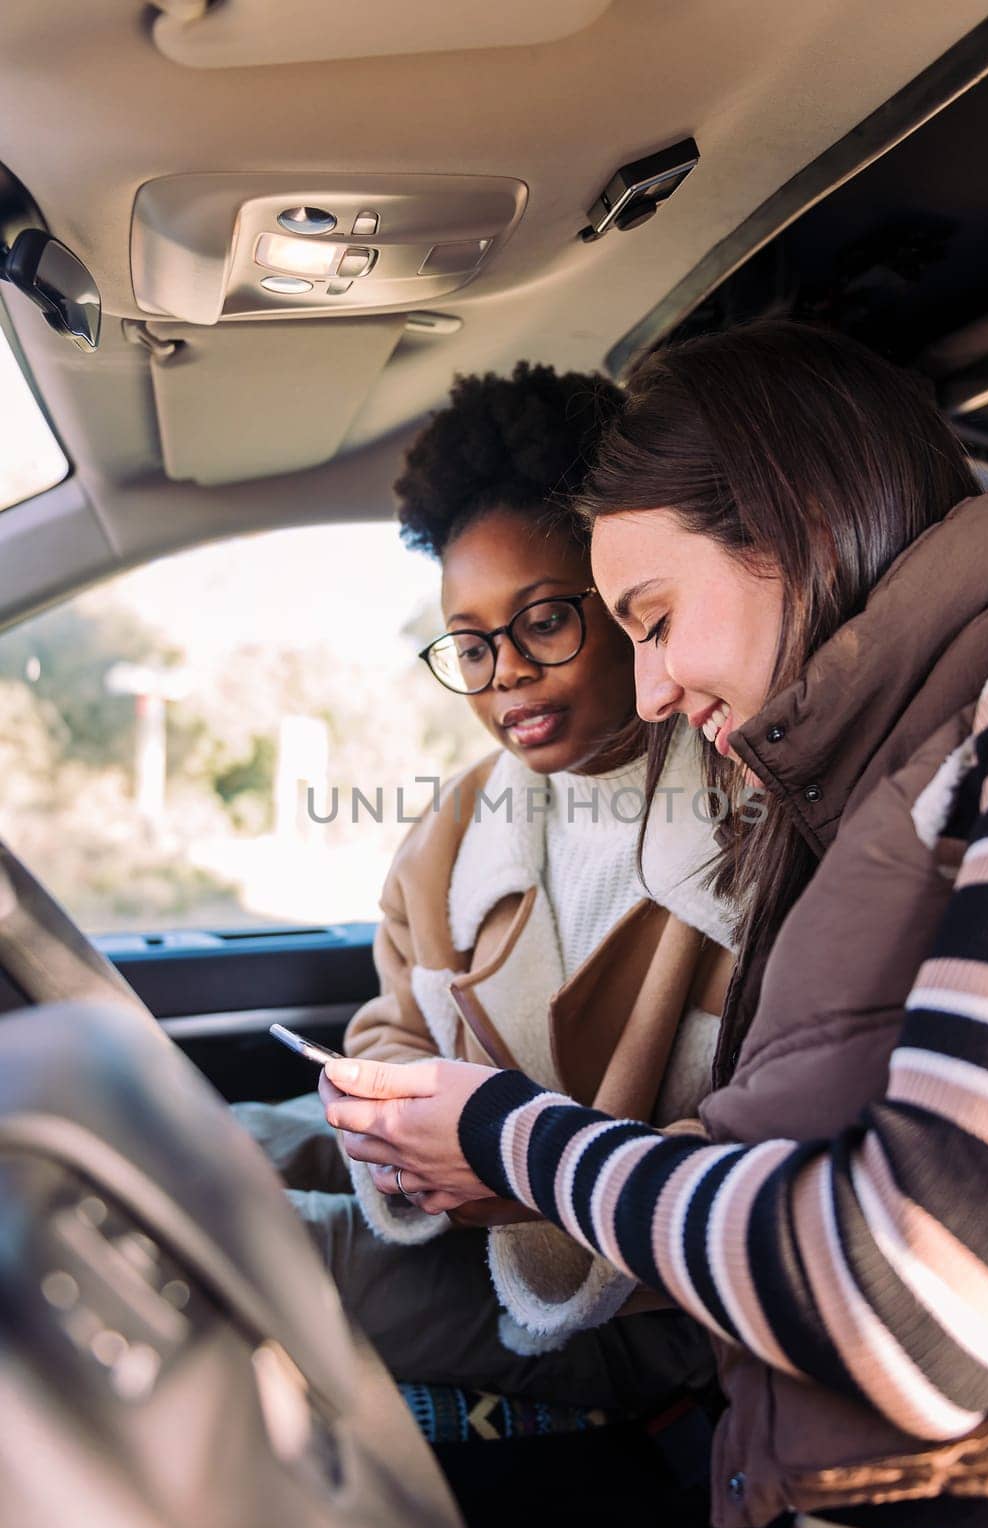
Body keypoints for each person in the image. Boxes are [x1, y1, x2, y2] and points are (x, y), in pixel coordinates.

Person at [323, 322, 988, 1528]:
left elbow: (919, 1301)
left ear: (792, 524)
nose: (655, 686)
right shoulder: (873, 784)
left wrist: (512, 1143)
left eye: (646, 619)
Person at [239, 361, 735, 1414]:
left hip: (644, 1293)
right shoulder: (459, 823)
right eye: (468, 643)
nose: (503, 669)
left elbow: (764, 1145)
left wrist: (509, 1156)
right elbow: (389, 1018)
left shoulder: (747, 822)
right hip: (464, 1196)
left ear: (623, 600)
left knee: (260, 1252)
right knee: (221, 1143)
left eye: (542, 621)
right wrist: (384, 1116)